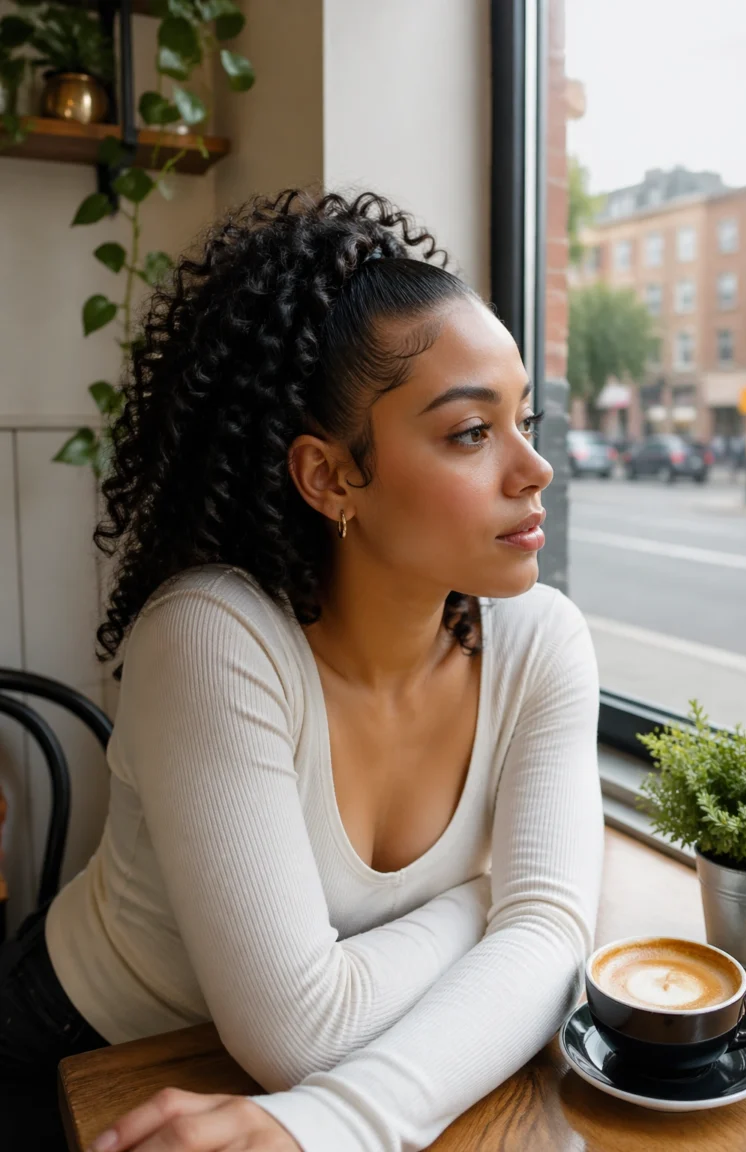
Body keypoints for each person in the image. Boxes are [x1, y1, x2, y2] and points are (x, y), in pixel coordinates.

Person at [0, 189, 604, 1152]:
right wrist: (511, 905)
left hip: (297, 1090)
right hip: (92, 1061)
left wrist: (335, 1120)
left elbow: (548, 951)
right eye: (469, 432)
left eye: (523, 419)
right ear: (328, 477)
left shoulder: (542, 641)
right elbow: (300, 1033)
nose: (533, 469)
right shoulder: (211, 638)